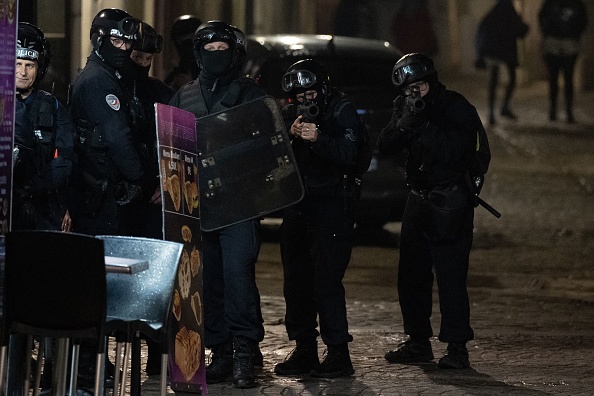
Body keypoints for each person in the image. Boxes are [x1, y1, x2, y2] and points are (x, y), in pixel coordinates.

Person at [169, 20, 265, 389]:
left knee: (239, 278)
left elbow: (265, 146)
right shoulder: (185, 96)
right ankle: (221, 351)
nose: (215, 56)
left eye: (222, 50)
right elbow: (171, 146)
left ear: (235, 53)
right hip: (198, 206)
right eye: (208, 51)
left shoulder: (250, 94)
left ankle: (245, 352)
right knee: (207, 283)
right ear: (198, 55)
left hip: (239, 205)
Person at [377, 53, 480, 369]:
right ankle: (418, 341)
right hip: (418, 198)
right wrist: (405, 124)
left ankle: (457, 348)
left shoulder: (455, 107)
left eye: (419, 86)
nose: (415, 93)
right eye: (409, 89)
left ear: (431, 82)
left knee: (450, 277)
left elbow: (453, 152)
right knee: (410, 276)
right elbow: (384, 145)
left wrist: (423, 127)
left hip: (450, 201)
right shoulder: (405, 107)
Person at [273, 59, 362, 378]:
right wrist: (291, 133)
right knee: (296, 281)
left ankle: (338, 352)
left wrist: (319, 138)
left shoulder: (341, 110)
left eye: (310, 93)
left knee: (326, 282)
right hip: (297, 205)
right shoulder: (289, 113)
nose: (305, 101)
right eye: (298, 96)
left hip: (331, 207)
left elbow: (351, 156)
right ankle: (304, 349)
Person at [124, 21, 176, 375]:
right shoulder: (110, 88)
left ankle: (158, 353)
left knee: (158, 276)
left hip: (155, 198)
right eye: (136, 55)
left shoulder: (162, 93)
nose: (141, 62)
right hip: (127, 196)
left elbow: (176, 145)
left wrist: (165, 180)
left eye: (147, 57)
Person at [68, 8, 145, 236]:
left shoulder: (110, 75)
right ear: (99, 40)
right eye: (116, 41)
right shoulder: (98, 81)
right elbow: (116, 136)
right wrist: (141, 178)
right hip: (99, 195)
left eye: (126, 43)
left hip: (104, 192)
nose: (123, 48)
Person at [13, 22, 73, 232]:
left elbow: (65, 159)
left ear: (40, 68)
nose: (22, 71)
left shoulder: (52, 106)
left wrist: (33, 187)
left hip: (44, 204)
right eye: (17, 63)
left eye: (29, 65)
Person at [475, 0, 529, 125]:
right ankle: (499, 110)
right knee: (508, 79)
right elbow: (518, 31)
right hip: (504, 52)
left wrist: (481, 54)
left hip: (496, 52)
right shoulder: (509, 14)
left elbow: (481, 34)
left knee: (496, 82)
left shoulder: (493, 15)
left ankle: (494, 112)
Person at [538, 0, 588, 123]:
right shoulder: (551, 3)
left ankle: (567, 111)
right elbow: (541, 17)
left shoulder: (576, 4)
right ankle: (554, 110)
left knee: (567, 79)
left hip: (569, 42)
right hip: (555, 42)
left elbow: (583, 20)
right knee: (555, 79)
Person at [164, 14, 202, 90]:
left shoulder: (208, 72)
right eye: (184, 45)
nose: (188, 49)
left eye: (190, 44)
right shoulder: (175, 75)